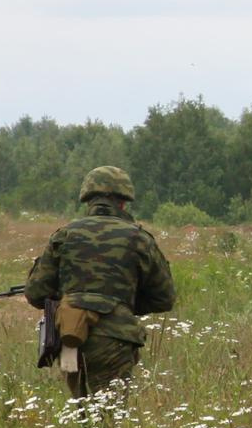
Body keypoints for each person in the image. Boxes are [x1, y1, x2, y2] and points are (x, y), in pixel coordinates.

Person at [25, 166, 175, 399]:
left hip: (70, 337)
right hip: (115, 338)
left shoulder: (65, 235)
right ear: (123, 202)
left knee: (84, 415)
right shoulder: (138, 238)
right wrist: (123, 304)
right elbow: (164, 297)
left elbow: (36, 293)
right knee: (109, 420)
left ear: (88, 200)